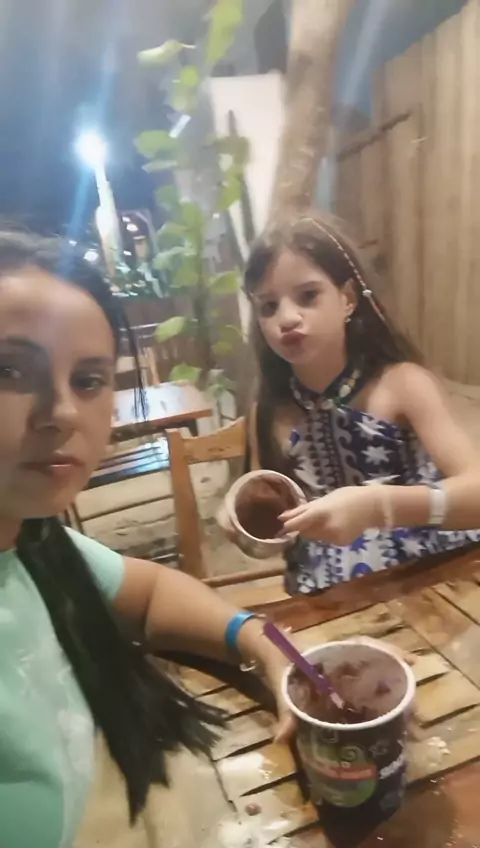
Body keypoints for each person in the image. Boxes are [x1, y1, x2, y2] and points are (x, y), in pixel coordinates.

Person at [0, 231, 291, 848]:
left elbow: (153, 591)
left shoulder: (36, 545)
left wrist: (266, 646)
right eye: (9, 370)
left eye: (88, 380)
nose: (62, 411)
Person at [221, 213, 480, 595]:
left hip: (429, 581)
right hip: (327, 598)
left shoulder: (403, 384)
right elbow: (278, 524)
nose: (287, 318)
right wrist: (243, 521)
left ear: (347, 299)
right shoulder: (268, 411)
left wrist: (380, 507)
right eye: (268, 306)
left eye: (308, 296)